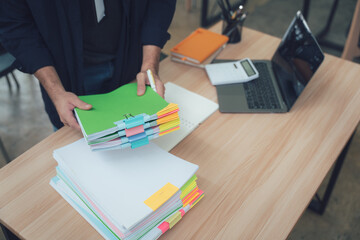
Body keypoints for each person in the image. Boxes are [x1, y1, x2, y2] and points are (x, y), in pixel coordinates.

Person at [0, 0, 176, 130]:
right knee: (80, 155)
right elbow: (16, 25)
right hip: (65, 76)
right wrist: (56, 91)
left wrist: (149, 65)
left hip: (132, 60)